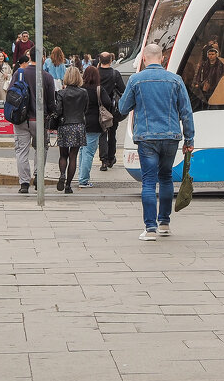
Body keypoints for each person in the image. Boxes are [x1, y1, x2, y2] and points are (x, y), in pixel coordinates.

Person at [117, 43, 195, 241]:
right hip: (170, 137)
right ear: (162, 58)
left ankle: (150, 228)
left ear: (143, 58)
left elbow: (123, 108)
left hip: (147, 137)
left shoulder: (136, 79)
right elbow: (186, 112)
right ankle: (165, 223)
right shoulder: (175, 80)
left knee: (149, 182)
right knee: (166, 177)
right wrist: (189, 138)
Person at [11, 47, 57, 194]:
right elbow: (51, 102)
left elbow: (11, 94)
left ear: (29, 56)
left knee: (21, 151)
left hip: (21, 120)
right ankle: (38, 176)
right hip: (40, 120)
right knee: (41, 149)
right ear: (44, 57)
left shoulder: (19, 73)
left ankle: (24, 183)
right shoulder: (47, 76)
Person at [53, 67, 88, 194]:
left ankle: (62, 173)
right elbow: (86, 109)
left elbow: (58, 111)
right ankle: (68, 185)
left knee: (63, 155)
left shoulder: (61, 93)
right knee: (73, 156)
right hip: (78, 125)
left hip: (65, 125)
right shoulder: (84, 92)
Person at [79, 65, 115, 189]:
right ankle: (83, 180)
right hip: (94, 123)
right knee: (89, 152)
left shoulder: (81, 88)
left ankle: (80, 176)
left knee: (82, 151)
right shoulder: (99, 89)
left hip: (81, 122)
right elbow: (108, 103)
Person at [97, 52, 126, 170]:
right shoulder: (115, 74)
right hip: (112, 109)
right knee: (112, 133)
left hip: (99, 108)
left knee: (102, 134)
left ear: (99, 60)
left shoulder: (96, 73)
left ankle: (103, 160)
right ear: (111, 61)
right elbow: (123, 89)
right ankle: (111, 157)